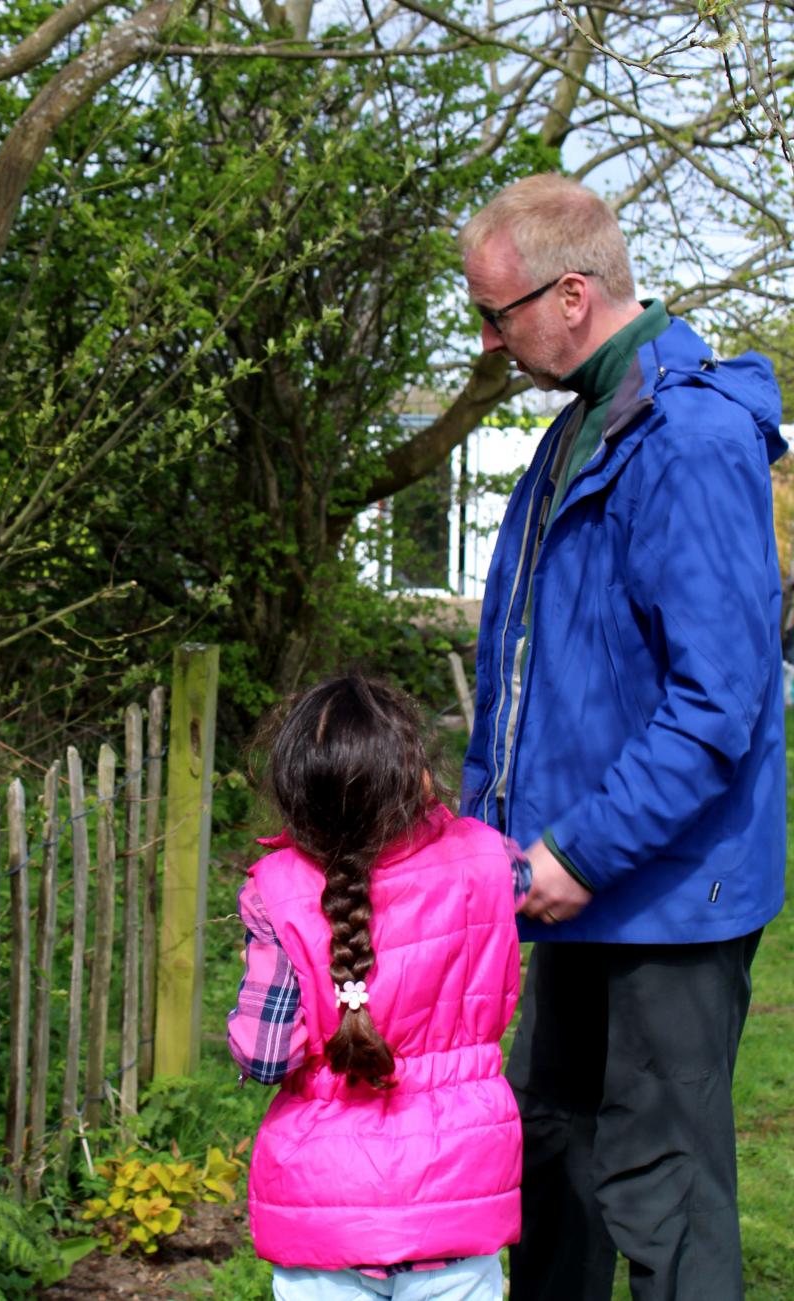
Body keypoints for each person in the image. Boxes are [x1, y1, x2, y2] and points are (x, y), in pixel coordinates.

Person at [457, 172, 787, 1301]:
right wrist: (472, 848)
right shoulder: (571, 441)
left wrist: (581, 850)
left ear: (574, 295)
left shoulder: (688, 441)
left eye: (496, 313)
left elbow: (718, 703)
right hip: (570, 881)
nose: (489, 339)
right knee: (554, 1156)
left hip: (662, 886)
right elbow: (514, 680)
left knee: (663, 1182)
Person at [228, 675, 531, 1300]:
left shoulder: (277, 890)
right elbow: (522, 883)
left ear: (296, 789)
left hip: (323, 1210)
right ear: (417, 775)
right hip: (458, 1193)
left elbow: (264, 1056)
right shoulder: (491, 859)